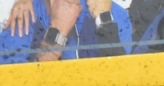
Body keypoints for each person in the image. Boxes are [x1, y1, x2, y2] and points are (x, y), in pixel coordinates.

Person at [0, 0, 131, 64]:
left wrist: (104, 19)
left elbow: (122, 80)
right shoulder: (25, 15)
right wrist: (58, 31)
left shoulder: (113, 14)